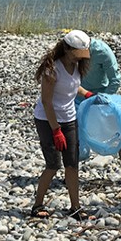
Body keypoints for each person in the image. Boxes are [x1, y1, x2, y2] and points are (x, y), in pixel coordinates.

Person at [32, 29, 94, 220]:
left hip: (69, 119)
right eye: (76, 54)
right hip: (47, 120)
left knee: (72, 165)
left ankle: (75, 207)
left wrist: (89, 95)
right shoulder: (52, 69)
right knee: (53, 165)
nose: (79, 59)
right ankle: (37, 204)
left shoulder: (76, 66)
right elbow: (46, 102)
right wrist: (56, 130)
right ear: (67, 49)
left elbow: (74, 87)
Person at [76, 38, 121, 187]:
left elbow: (115, 80)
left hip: (102, 95)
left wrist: (104, 99)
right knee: (76, 132)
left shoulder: (101, 51)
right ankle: (72, 172)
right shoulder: (68, 51)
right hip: (78, 95)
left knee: (118, 129)